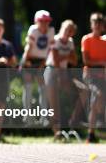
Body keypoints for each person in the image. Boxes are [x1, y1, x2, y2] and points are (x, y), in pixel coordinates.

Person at [44, 20, 78, 141]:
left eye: (70, 31)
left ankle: (73, 122)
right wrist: (67, 56)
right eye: (66, 29)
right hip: (52, 71)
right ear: (62, 28)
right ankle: (56, 132)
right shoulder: (55, 40)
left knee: (80, 92)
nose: (68, 32)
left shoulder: (70, 42)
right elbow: (56, 60)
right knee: (54, 103)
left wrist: (65, 57)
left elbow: (74, 61)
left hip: (64, 72)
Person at [20, 10, 55, 124]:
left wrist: (44, 63)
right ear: (37, 21)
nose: (44, 23)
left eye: (46, 21)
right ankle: (27, 117)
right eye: (42, 21)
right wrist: (25, 62)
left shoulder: (51, 31)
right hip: (30, 60)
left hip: (42, 61)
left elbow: (50, 48)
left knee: (43, 89)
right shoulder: (33, 30)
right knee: (28, 88)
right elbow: (29, 47)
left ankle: (44, 117)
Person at [81, 13, 105, 143]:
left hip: (103, 76)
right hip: (91, 76)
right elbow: (86, 61)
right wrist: (101, 63)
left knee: (98, 101)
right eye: (94, 22)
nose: (97, 25)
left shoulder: (105, 41)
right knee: (96, 97)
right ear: (91, 25)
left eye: (99, 23)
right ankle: (91, 133)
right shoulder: (86, 39)